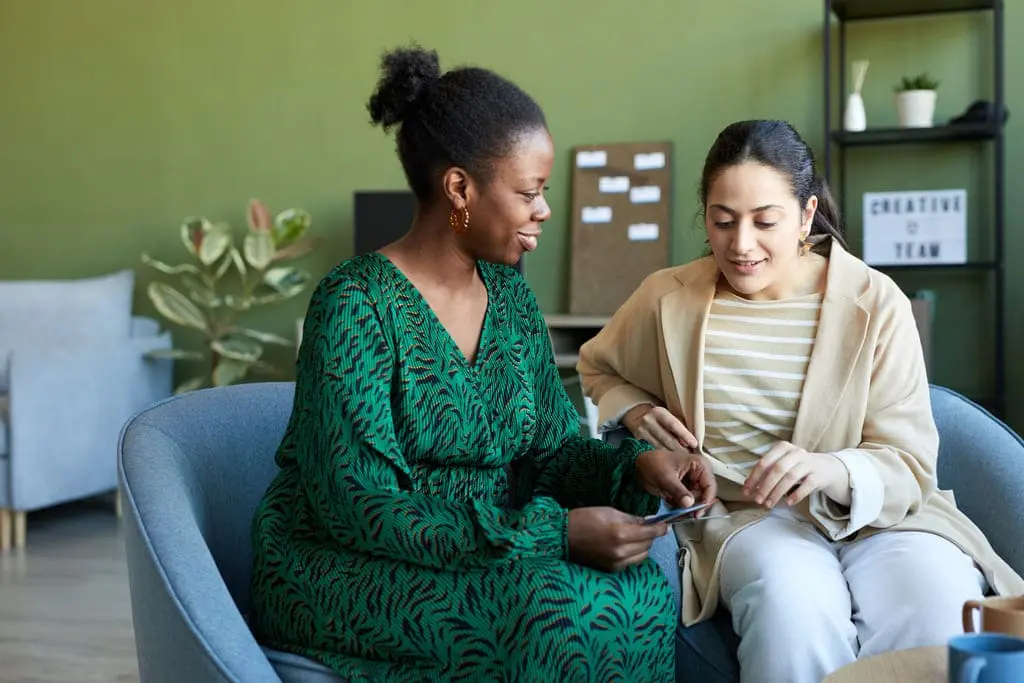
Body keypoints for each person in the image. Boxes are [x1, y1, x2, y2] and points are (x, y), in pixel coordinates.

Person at [247, 45, 717, 682]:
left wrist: (635, 463)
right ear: (460, 187)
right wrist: (552, 535)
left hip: (487, 548)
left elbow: (551, 452)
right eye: (529, 192)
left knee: (635, 596)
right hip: (346, 564)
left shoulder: (512, 297)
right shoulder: (354, 304)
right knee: (558, 613)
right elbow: (360, 506)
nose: (544, 209)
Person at [576, 119, 1024, 683]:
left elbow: (910, 462)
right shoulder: (667, 298)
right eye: (722, 221)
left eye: (765, 222)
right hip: (748, 518)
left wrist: (830, 468)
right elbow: (598, 365)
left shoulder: (875, 301)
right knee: (794, 609)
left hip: (886, 519)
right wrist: (637, 410)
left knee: (937, 602)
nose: (740, 245)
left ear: (807, 215)